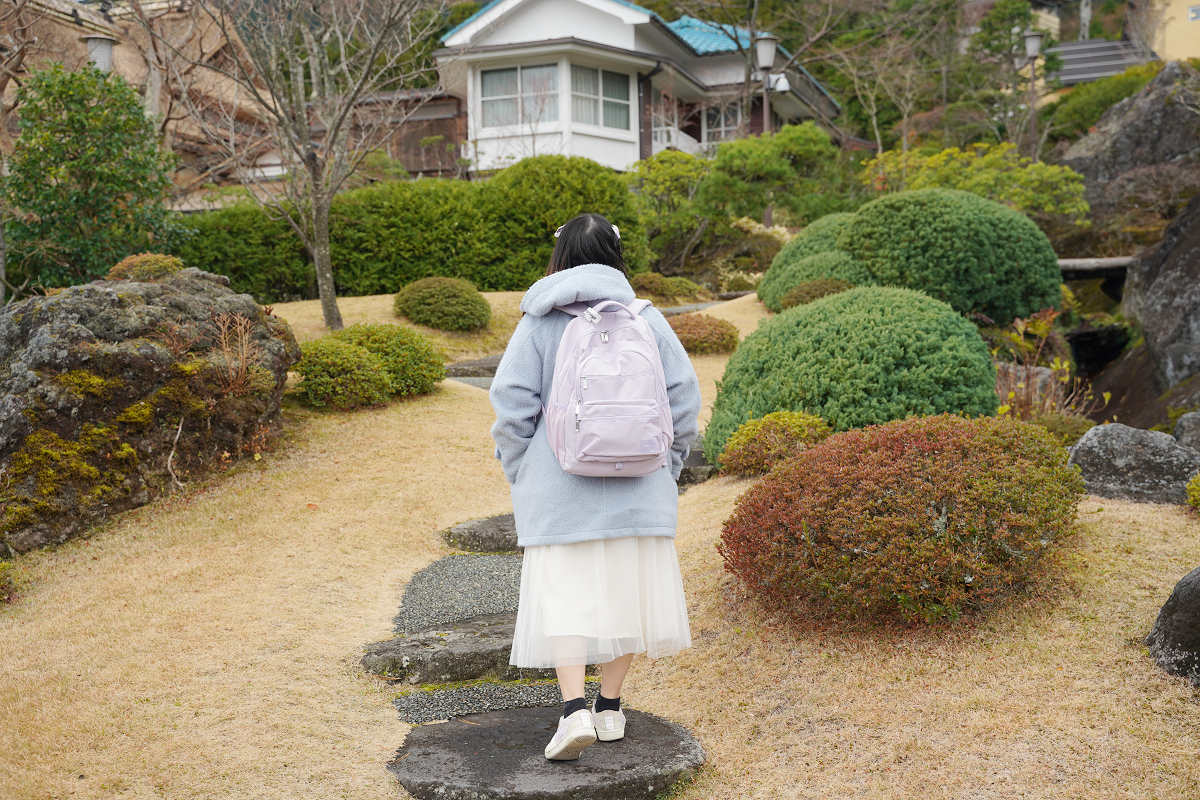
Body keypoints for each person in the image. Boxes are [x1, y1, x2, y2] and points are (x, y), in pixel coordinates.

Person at [489, 213, 702, 761]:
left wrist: (522, 470)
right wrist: (667, 466)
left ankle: (572, 710)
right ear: (616, 256)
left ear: (560, 259)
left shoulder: (541, 319)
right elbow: (684, 398)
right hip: (641, 487)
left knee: (565, 598)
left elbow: (511, 401)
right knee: (627, 596)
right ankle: (609, 706)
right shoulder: (645, 317)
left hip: (559, 492)